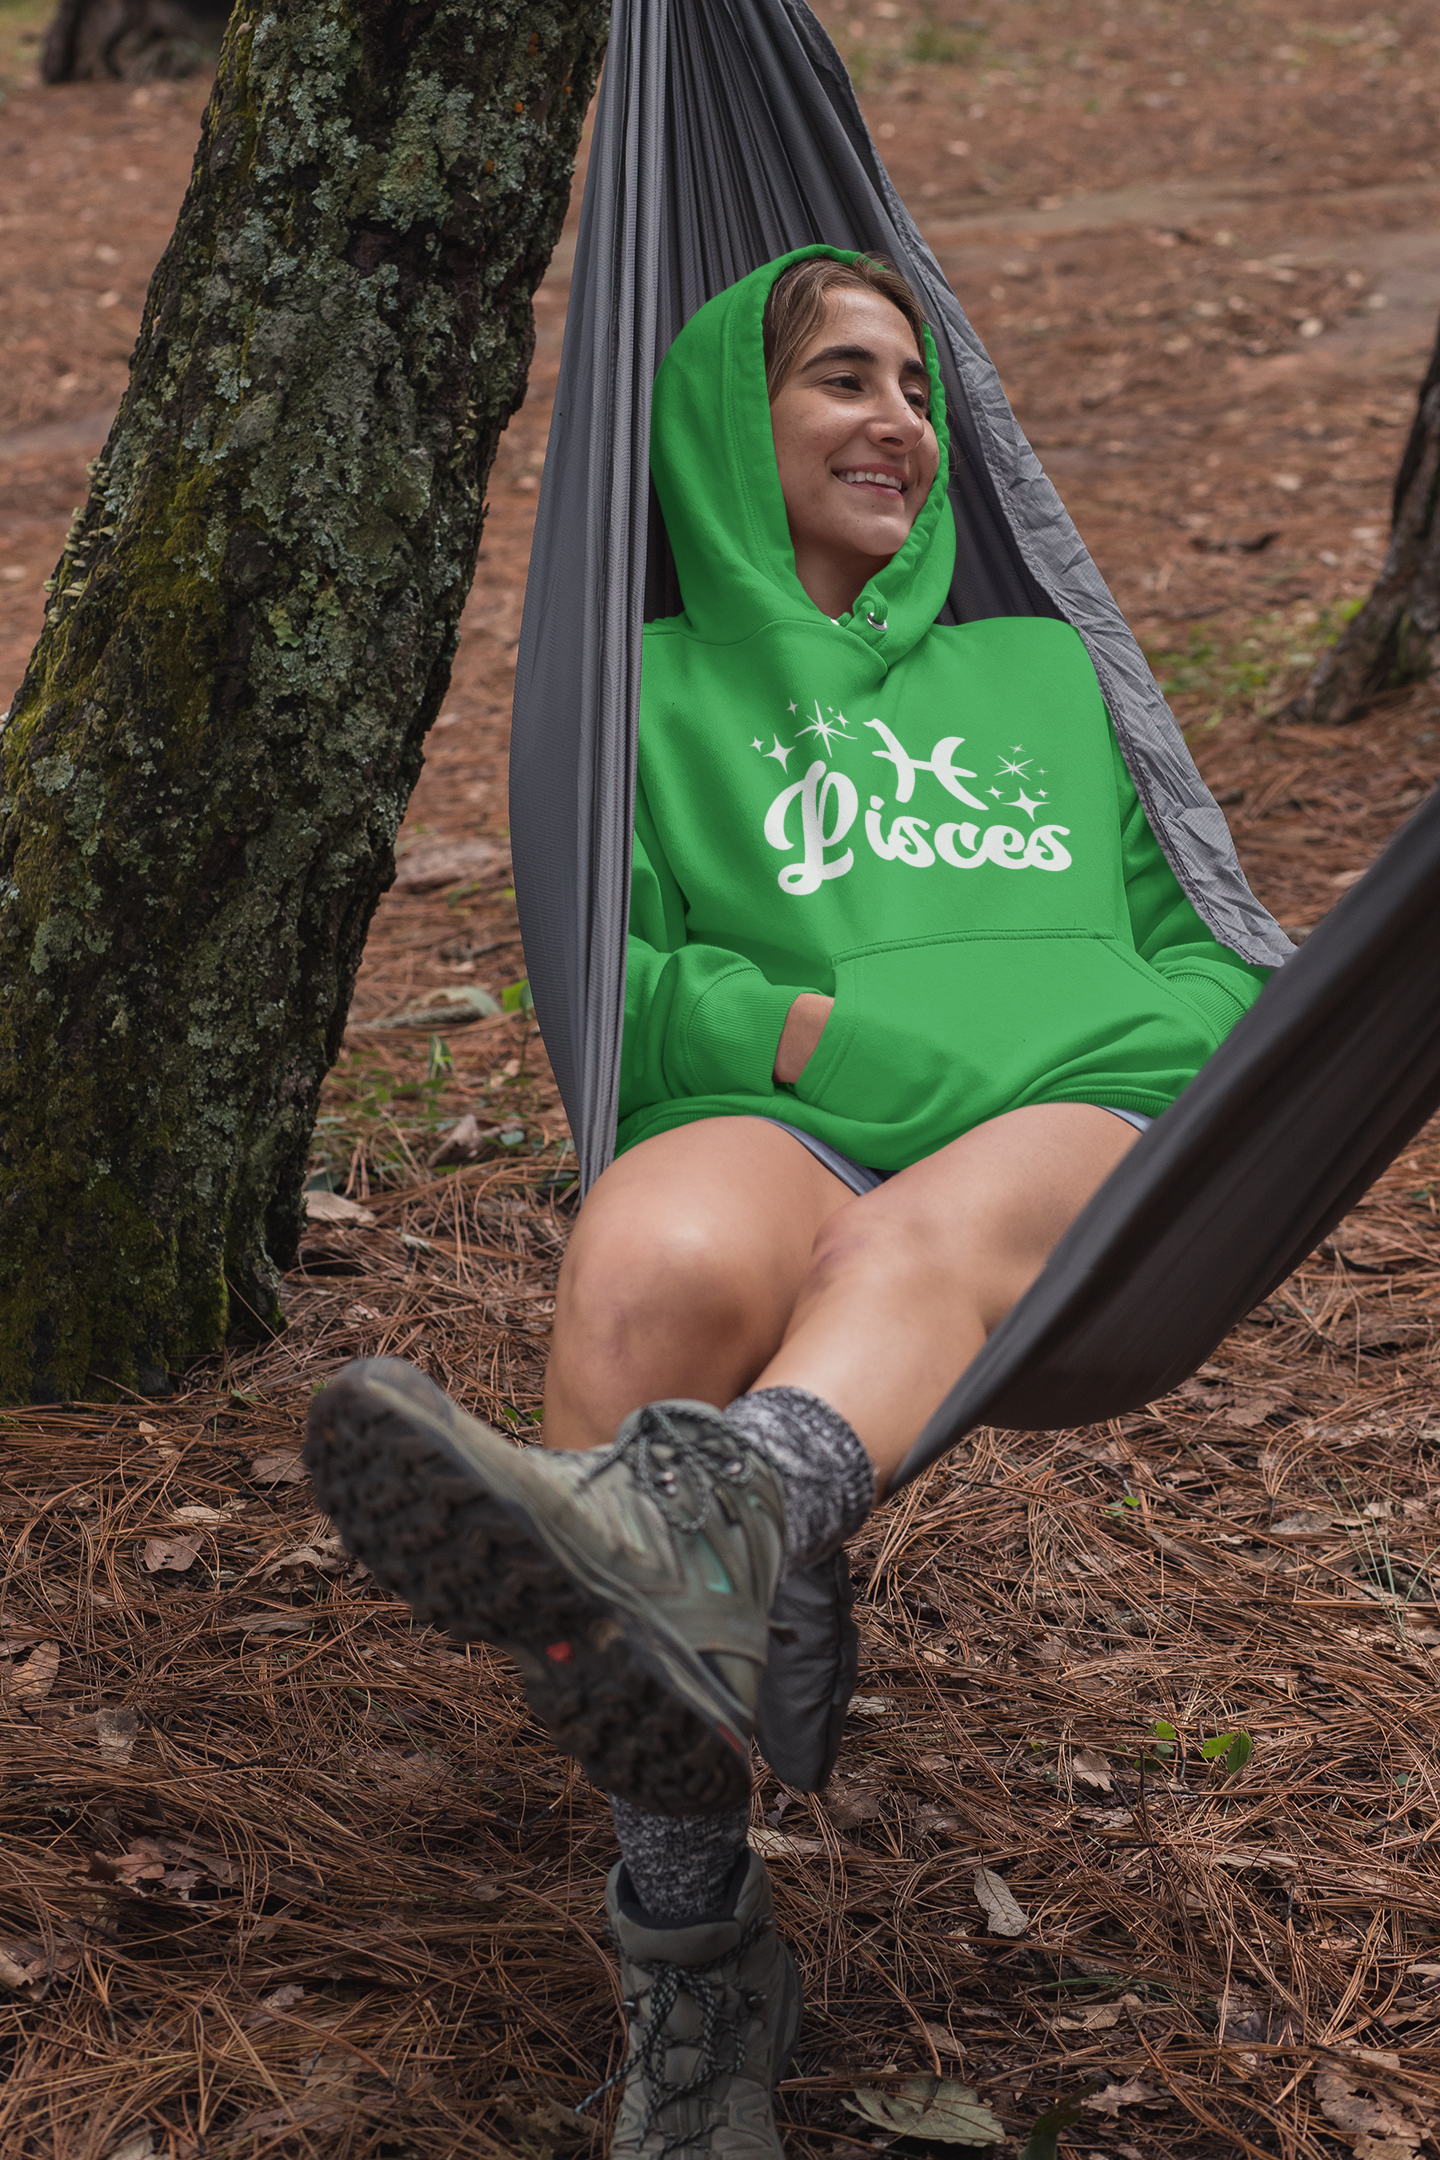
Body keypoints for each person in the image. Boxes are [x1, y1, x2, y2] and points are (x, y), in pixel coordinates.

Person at [304, 248, 1272, 2157]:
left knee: (904, 1238)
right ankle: (699, 1936)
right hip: (787, 1108)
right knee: (647, 1278)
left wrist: (967, 1054)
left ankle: (711, 1532)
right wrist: (833, 1039)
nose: (899, 423)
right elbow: (630, 973)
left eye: (915, 387)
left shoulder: (1046, 671)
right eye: (842, 379)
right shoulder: (635, 686)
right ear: (729, 430)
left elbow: (1222, 975)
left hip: (1065, 1125)